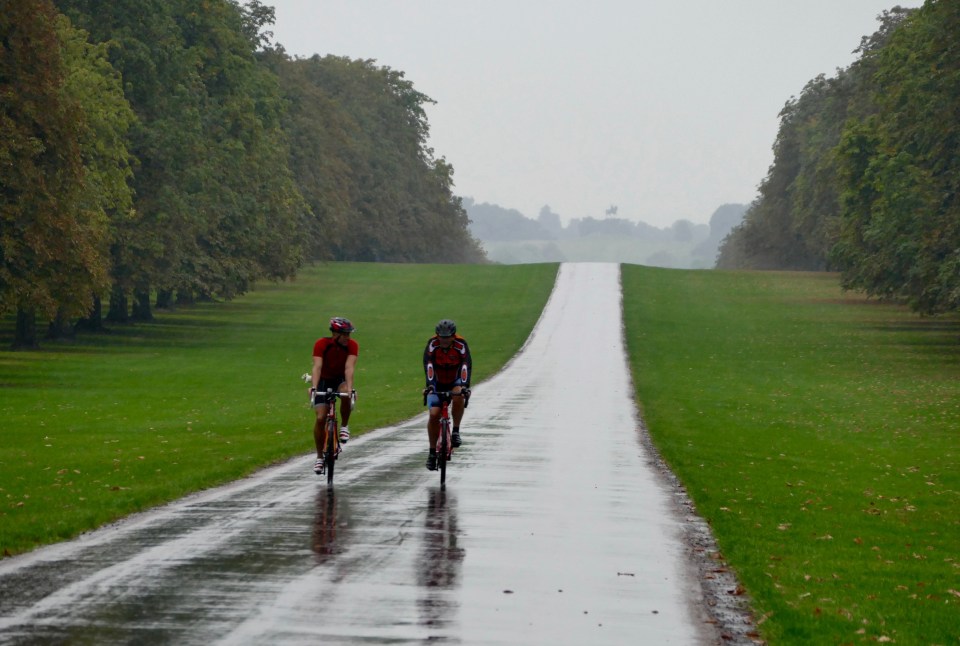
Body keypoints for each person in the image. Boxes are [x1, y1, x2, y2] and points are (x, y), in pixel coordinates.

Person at [310, 317, 358, 475]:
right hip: (323, 380)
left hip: (339, 379)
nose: (348, 337)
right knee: (320, 418)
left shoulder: (352, 345)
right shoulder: (322, 344)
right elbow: (317, 367)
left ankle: (344, 425)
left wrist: (350, 389)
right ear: (335, 334)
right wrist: (314, 387)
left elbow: (349, 368)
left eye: (349, 334)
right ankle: (318, 457)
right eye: (344, 334)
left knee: (345, 393)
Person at [422, 318, 471, 470]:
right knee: (434, 414)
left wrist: (464, 386)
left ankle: (455, 431)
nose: (443, 340)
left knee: (458, 395)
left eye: (447, 337)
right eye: (441, 337)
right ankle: (431, 452)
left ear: (453, 336)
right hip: (436, 381)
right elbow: (428, 364)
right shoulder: (432, 344)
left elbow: (466, 365)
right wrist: (430, 385)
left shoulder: (460, 345)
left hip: (455, 380)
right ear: (437, 336)